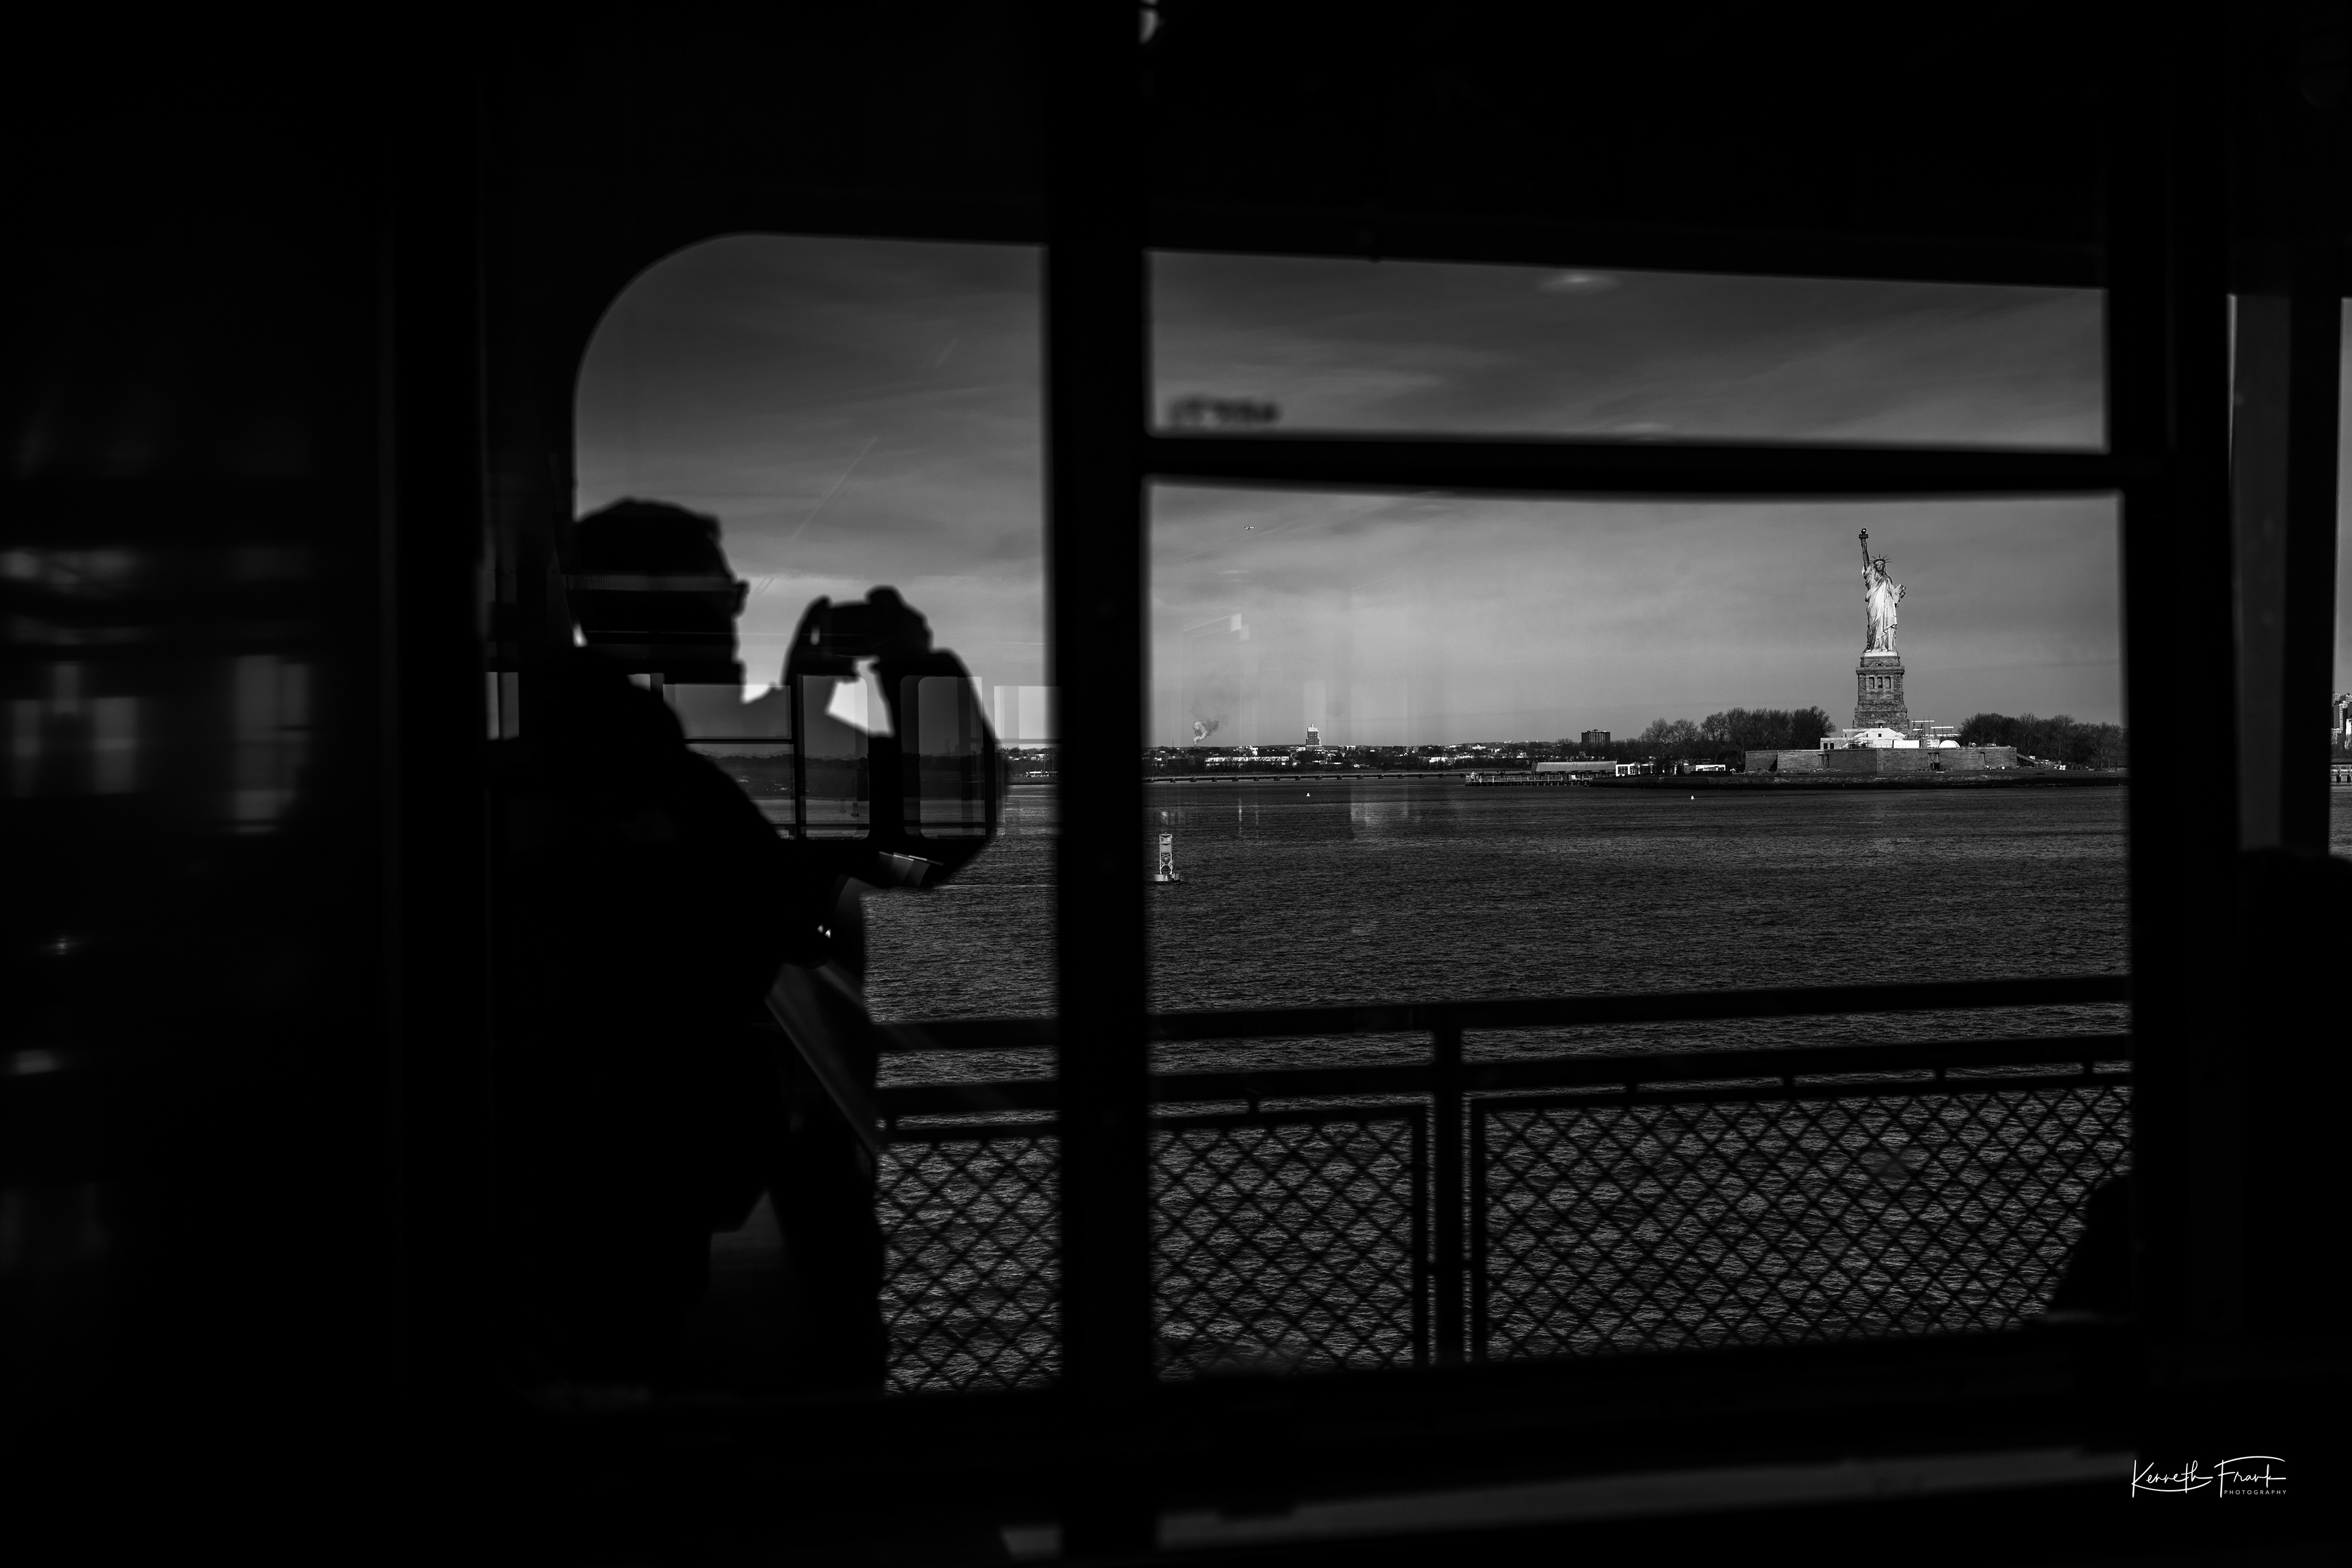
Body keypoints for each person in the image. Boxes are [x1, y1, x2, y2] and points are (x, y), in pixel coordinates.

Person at [490, 498, 887, 1392]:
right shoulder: (645, 772)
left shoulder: (575, 753)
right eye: (723, 595)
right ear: (658, 606)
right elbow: (785, 916)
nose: (733, 619)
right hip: (633, 1175)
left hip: (593, 1179)